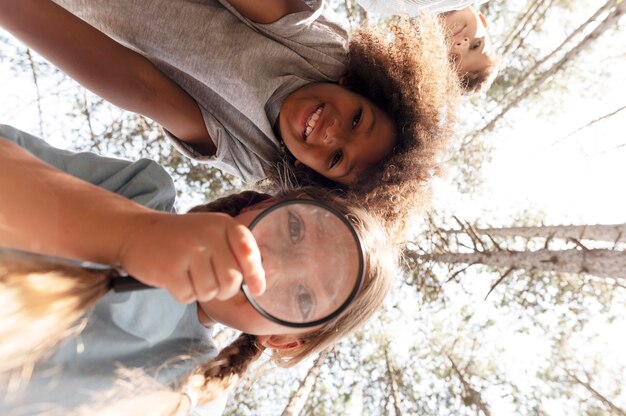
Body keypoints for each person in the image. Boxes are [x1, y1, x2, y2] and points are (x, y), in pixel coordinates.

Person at [0, 125, 396, 415]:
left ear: (282, 340)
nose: (271, 263)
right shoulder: (144, 193)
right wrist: (131, 232)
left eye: (304, 296)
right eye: (293, 228)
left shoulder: (192, 398)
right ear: (258, 206)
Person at [0, 0, 460, 234]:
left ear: (308, 172)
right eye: (358, 119)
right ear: (357, 87)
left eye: (337, 158)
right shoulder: (325, 52)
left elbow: (136, 84)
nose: (331, 131)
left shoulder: (255, 156)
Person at [355, 0, 500, 94]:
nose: (461, 45)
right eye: (476, 45)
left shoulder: (380, 3)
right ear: (483, 21)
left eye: (453, 58)